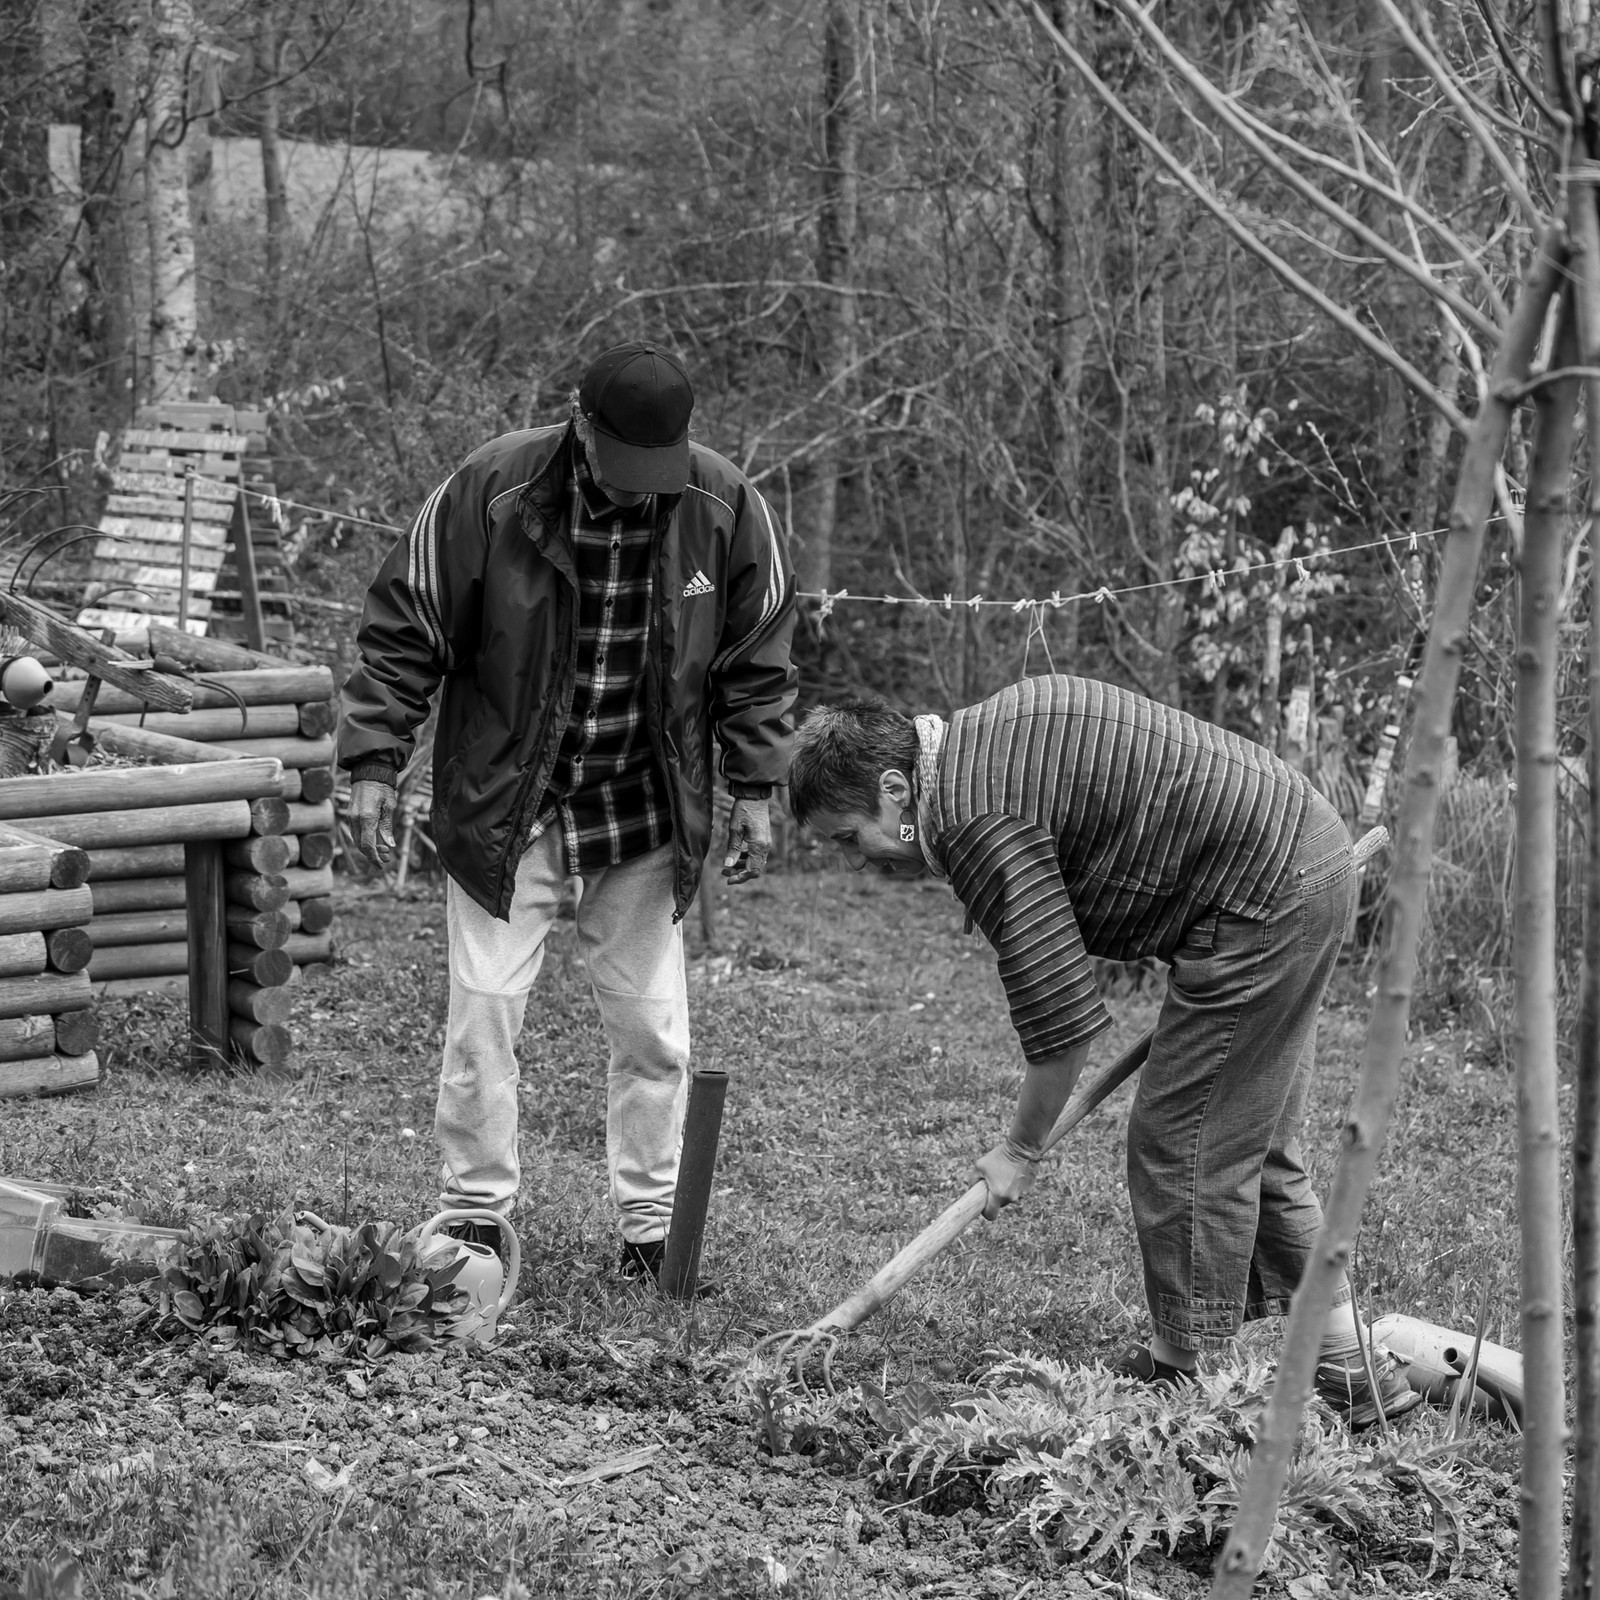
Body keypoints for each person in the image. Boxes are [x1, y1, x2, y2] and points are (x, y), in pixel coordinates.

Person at [786, 675, 1420, 1429]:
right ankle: (1350, 1368)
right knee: (1251, 1138)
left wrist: (1018, 1149)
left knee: (1183, 1139)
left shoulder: (971, 814)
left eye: (848, 838)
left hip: (1266, 896)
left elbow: (1063, 1019)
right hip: (1301, 856)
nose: (857, 862)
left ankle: (1176, 1377)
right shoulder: (977, 744)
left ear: (895, 789)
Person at [338, 342, 797, 1282]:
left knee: (653, 1031)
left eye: (656, 470)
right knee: (484, 1017)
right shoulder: (491, 490)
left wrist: (755, 784)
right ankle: (473, 1218)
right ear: (581, 424)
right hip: (512, 797)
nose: (640, 491)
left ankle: (650, 1225)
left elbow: (757, 653)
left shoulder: (722, 506)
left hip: (643, 802)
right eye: (624, 466)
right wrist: (374, 763)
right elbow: (403, 628)